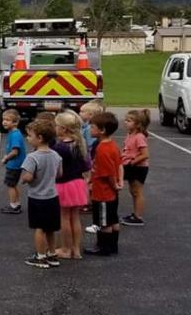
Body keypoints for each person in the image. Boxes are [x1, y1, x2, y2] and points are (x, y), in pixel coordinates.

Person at [21, 119, 63, 268]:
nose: (28, 138)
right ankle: (52, 254)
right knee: (51, 228)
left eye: (30, 136)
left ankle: (40, 256)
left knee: (39, 228)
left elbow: (28, 177)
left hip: (37, 197)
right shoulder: (56, 155)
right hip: (52, 196)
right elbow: (59, 174)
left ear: (39, 138)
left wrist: (24, 179)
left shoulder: (32, 157)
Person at [84, 112, 123, 256]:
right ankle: (113, 246)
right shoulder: (113, 145)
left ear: (102, 130)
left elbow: (108, 174)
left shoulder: (102, 149)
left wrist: (114, 185)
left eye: (92, 127)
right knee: (113, 219)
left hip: (103, 192)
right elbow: (119, 165)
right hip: (111, 192)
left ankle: (104, 247)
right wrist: (119, 184)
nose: (89, 129)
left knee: (104, 222)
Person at [53, 110, 90, 260]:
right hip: (78, 183)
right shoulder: (80, 144)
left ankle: (66, 248)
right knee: (75, 217)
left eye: (57, 125)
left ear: (63, 129)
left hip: (64, 184)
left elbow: (57, 170)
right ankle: (76, 249)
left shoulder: (59, 148)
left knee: (64, 217)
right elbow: (86, 166)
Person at [120, 109, 151, 226]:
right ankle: (135, 214)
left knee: (137, 191)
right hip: (130, 165)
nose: (125, 122)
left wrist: (132, 162)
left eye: (129, 121)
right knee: (132, 191)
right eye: (126, 120)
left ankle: (138, 217)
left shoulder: (139, 137)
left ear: (138, 124)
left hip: (138, 167)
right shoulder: (130, 135)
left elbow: (145, 154)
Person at [0, 109, 26, 215]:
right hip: (16, 164)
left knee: (10, 185)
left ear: (15, 122)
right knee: (13, 185)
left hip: (14, 164)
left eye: (8, 120)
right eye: (3, 119)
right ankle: (17, 204)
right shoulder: (15, 133)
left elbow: (15, 151)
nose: (4, 122)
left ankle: (13, 205)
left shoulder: (15, 135)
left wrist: (6, 158)